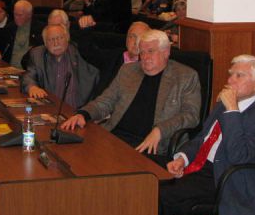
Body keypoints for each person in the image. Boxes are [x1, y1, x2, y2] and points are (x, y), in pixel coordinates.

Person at [158, 54, 255, 215]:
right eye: (231, 74)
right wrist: (183, 158)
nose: (230, 80)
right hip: (201, 163)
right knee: (145, 176)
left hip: (225, 176)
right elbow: (203, 138)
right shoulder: (226, 102)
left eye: (239, 76)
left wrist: (232, 111)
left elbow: (239, 157)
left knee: (161, 193)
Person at [61, 30, 200, 155]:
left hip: (149, 146)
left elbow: (191, 115)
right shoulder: (128, 70)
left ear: (166, 52)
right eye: (142, 52)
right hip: (115, 137)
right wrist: (84, 114)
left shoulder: (185, 77)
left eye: (150, 51)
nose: (145, 57)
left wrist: (160, 130)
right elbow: (106, 100)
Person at [22, 24, 99, 107]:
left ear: (67, 38)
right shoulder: (37, 54)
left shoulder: (79, 52)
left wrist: (87, 28)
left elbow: (92, 50)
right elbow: (28, 76)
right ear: (45, 43)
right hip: (50, 108)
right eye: (51, 40)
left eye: (60, 38)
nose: (56, 43)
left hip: (78, 110)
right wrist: (32, 87)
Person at [77, 21, 150, 96]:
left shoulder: (150, 67)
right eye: (133, 36)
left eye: (142, 38)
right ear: (127, 39)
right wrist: (86, 29)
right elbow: (87, 51)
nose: (136, 42)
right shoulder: (113, 57)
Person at [0, 0, 43, 66]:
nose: (16, 18)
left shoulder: (40, 29)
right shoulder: (10, 27)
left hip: (29, 69)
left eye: (20, 15)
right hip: (9, 68)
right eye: (15, 14)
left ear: (29, 15)